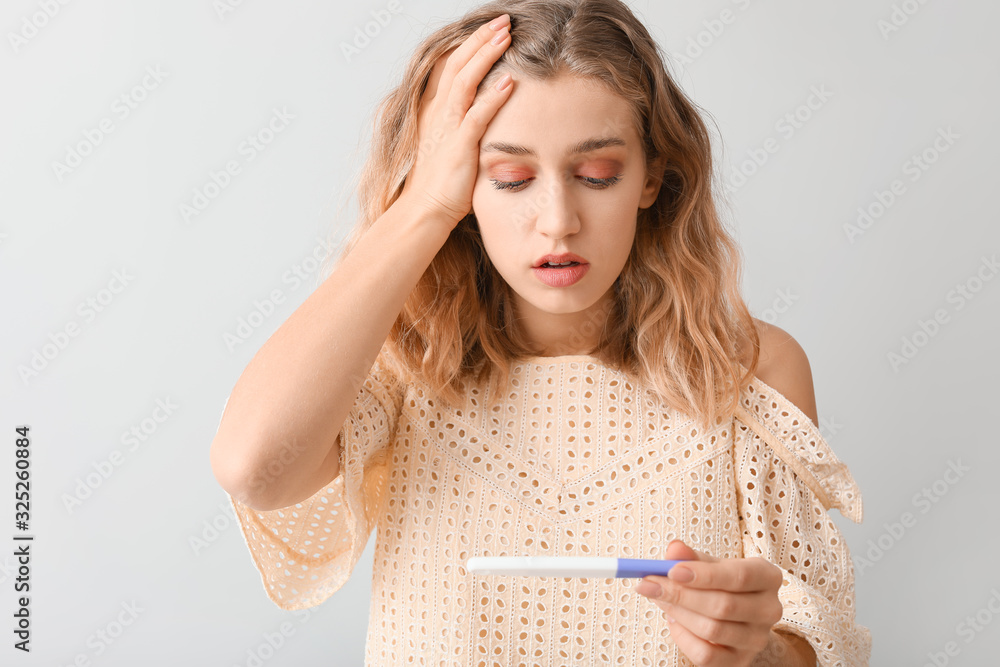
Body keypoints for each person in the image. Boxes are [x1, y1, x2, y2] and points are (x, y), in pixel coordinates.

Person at [209, 1, 872, 665]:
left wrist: (752, 652)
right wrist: (422, 204)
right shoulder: (399, 368)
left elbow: (816, 642)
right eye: (511, 177)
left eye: (596, 174)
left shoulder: (752, 371)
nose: (558, 220)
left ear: (652, 178)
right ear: (464, 185)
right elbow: (251, 468)